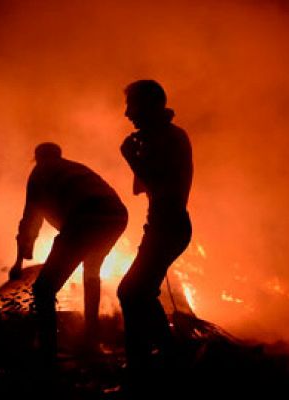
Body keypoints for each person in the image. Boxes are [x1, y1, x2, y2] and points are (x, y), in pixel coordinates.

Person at [11, 142, 128, 361]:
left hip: (84, 219)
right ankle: (91, 341)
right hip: (115, 217)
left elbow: (29, 221)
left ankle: (47, 351)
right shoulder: (73, 167)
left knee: (44, 289)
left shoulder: (40, 174)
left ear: (37, 158)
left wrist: (19, 261)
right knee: (92, 273)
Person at [118, 80, 193, 374]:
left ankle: (151, 361)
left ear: (149, 106)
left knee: (131, 291)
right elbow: (141, 190)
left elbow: (160, 188)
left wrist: (132, 158)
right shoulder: (161, 137)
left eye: (132, 106)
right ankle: (163, 357)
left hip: (169, 227)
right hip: (164, 227)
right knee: (138, 292)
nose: (127, 114)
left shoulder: (169, 138)